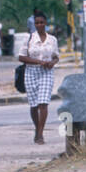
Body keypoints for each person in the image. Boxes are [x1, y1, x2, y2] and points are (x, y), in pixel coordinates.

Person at [18, 11, 60, 144]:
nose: (39, 25)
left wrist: (52, 63)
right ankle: (37, 129)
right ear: (34, 24)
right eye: (37, 23)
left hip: (46, 73)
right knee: (34, 104)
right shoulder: (29, 38)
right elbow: (21, 57)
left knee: (43, 102)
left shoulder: (52, 39)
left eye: (42, 22)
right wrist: (39, 62)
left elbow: (56, 56)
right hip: (31, 72)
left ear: (45, 23)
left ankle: (40, 134)